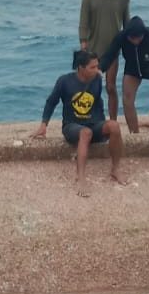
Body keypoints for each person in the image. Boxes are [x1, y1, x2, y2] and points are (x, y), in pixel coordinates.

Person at [31, 50, 126, 196]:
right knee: (85, 133)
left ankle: (115, 169)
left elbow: (97, 102)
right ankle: (81, 177)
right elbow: (51, 102)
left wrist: (102, 124)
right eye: (92, 67)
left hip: (94, 123)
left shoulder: (97, 80)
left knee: (114, 126)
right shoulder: (64, 81)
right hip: (72, 126)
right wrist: (44, 125)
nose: (97, 70)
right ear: (81, 67)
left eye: (97, 66)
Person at [78, 0, 130, 121]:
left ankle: (113, 120)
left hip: (113, 50)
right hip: (92, 50)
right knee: (90, 86)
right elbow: (84, 22)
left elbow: (127, 25)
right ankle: (89, 118)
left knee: (110, 86)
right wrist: (83, 45)